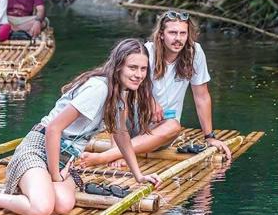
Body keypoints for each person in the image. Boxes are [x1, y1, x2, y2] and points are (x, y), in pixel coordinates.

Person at [0, 38, 161, 215]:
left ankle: (35, 185)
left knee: (63, 205)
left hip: (65, 160)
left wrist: (138, 175)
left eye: (143, 69)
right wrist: (55, 176)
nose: (139, 75)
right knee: (41, 209)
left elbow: (122, 135)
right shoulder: (99, 89)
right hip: (38, 148)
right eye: (133, 68)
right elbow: (53, 129)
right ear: (118, 67)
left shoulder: (121, 94)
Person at [80, 11, 232, 166]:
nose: (178, 38)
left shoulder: (195, 53)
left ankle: (108, 156)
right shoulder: (146, 52)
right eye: (172, 33)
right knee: (119, 95)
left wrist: (209, 136)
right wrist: (149, 100)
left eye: (182, 33)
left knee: (174, 126)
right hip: (131, 123)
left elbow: (202, 97)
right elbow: (121, 85)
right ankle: (116, 150)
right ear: (161, 34)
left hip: (161, 130)